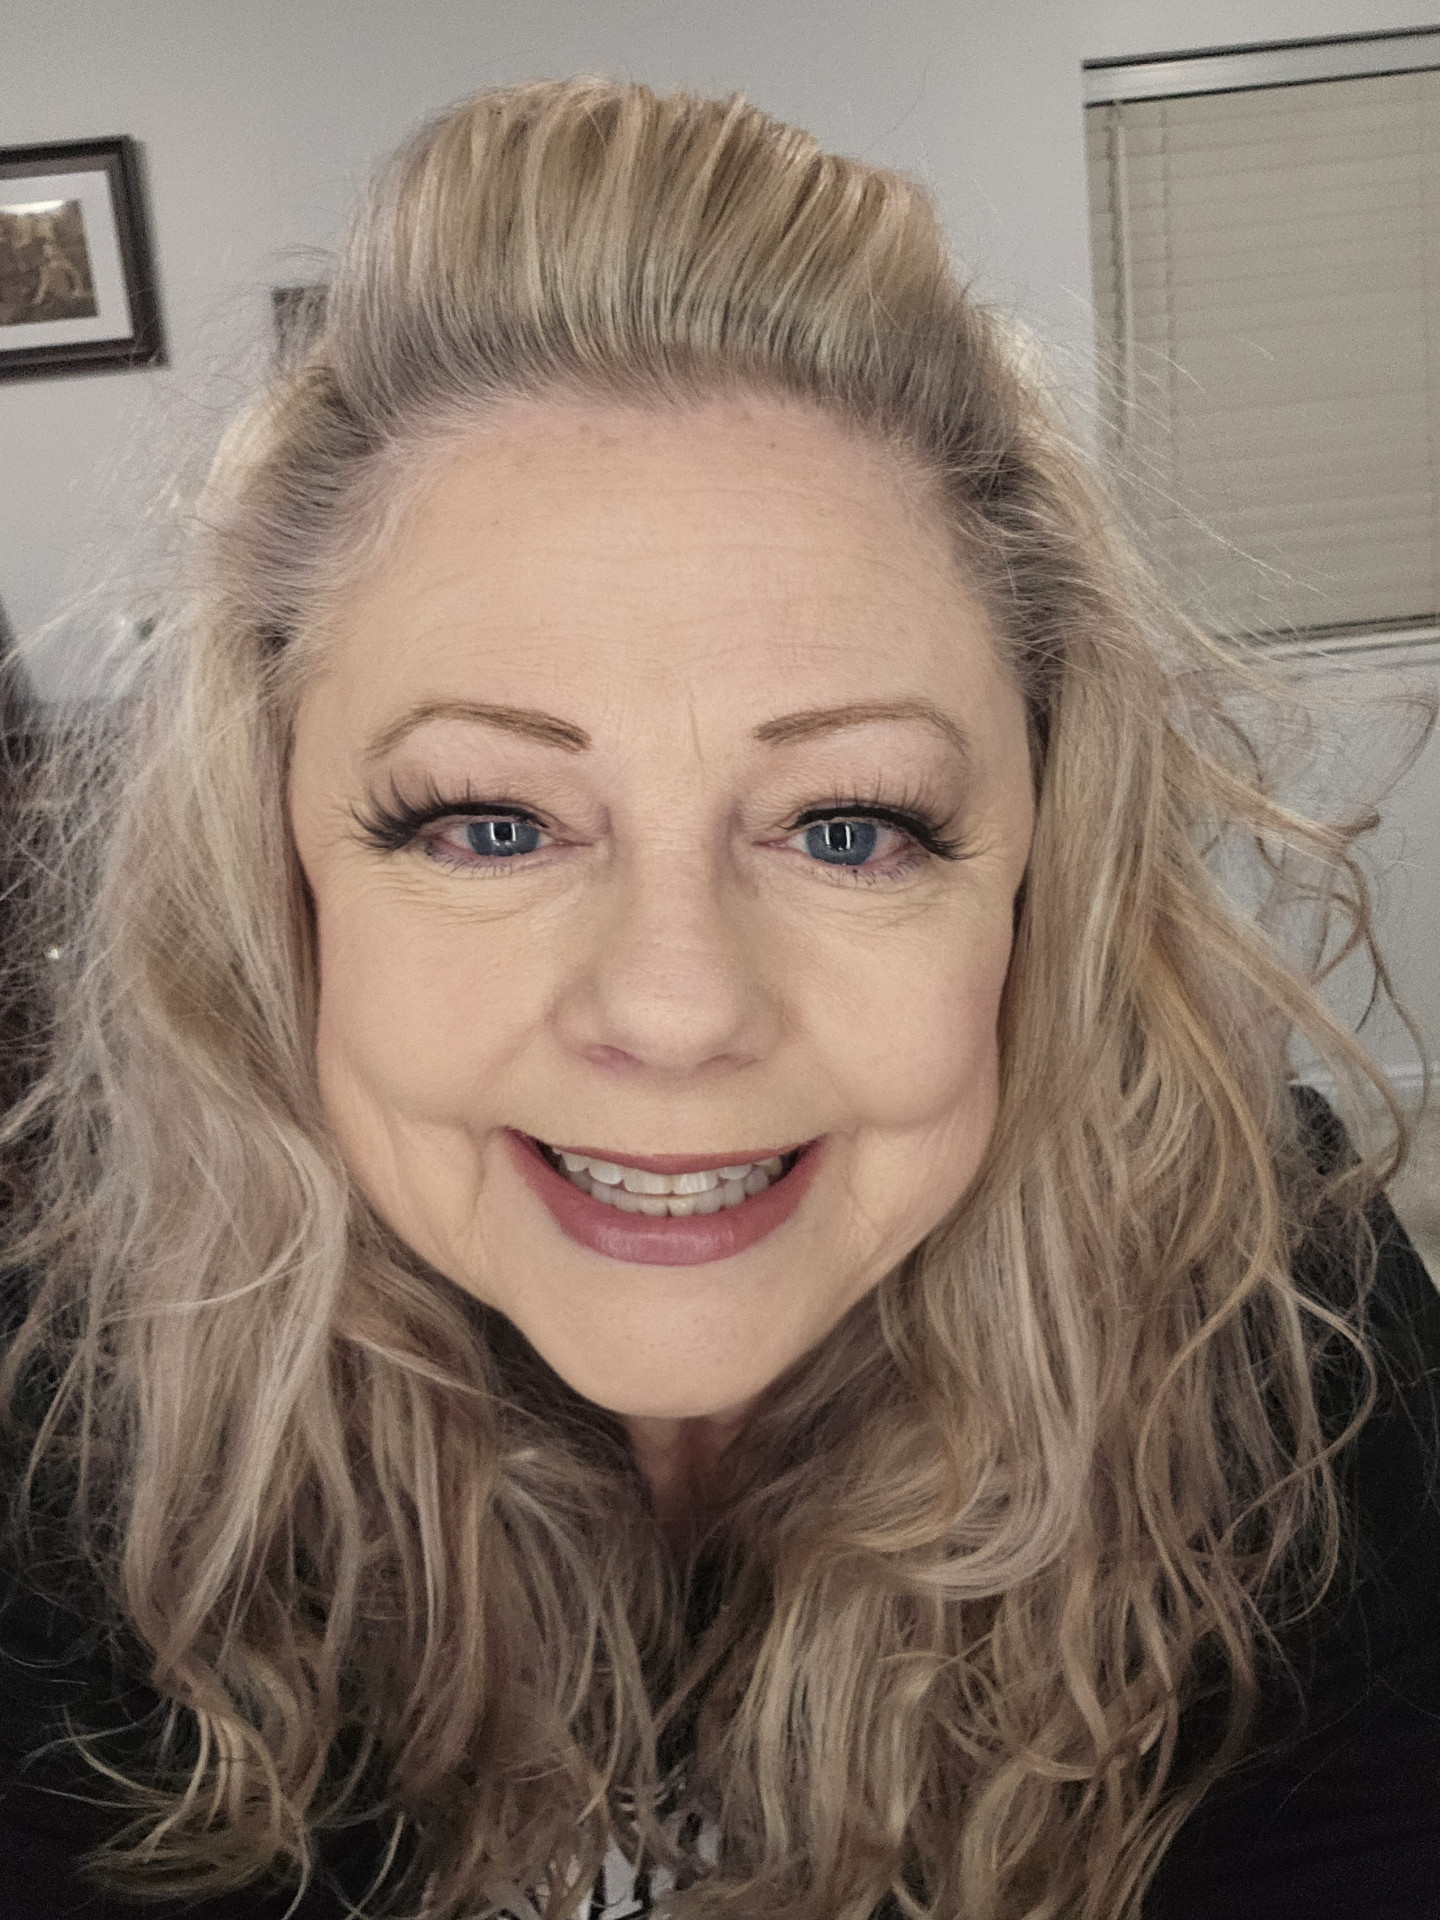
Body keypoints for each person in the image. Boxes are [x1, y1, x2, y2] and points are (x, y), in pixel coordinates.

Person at [0, 77, 1436, 1920]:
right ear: (277, 882)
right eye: (489, 822)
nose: (676, 1013)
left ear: (1040, 878)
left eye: (850, 827)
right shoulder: (74, 1446)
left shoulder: (1282, 1319)